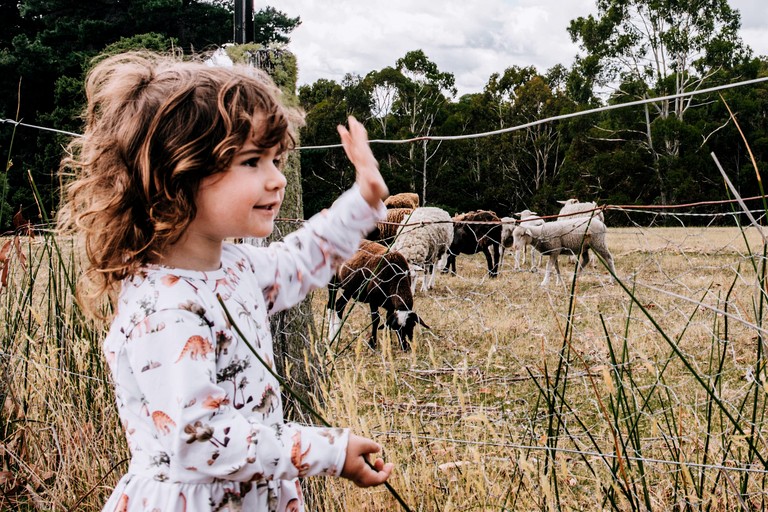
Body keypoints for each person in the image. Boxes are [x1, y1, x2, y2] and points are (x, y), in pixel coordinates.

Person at [58, 51, 393, 511]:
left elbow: (300, 261)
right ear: (179, 173)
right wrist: (325, 450)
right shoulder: (165, 310)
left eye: (276, 160)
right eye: (253, 161)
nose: (276, 180)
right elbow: (202, 440)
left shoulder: (235, 267)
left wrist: (362, 200)